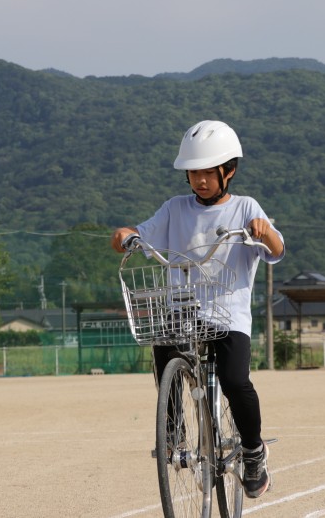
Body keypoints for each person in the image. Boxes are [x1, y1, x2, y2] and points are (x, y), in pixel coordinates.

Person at [111, 120, 285, 499]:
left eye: (208, 172)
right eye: (194, 173)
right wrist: (127, 236)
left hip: (228, 315)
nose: (200, 180)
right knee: (164, 349)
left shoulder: (245, 208)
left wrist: (263, 230)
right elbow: (134, 232)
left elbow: (276, 249)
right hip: (183, 311)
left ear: (229, 171)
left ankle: (253, 453)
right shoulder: (175, 209)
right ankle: (173, 433)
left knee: (236, 381)